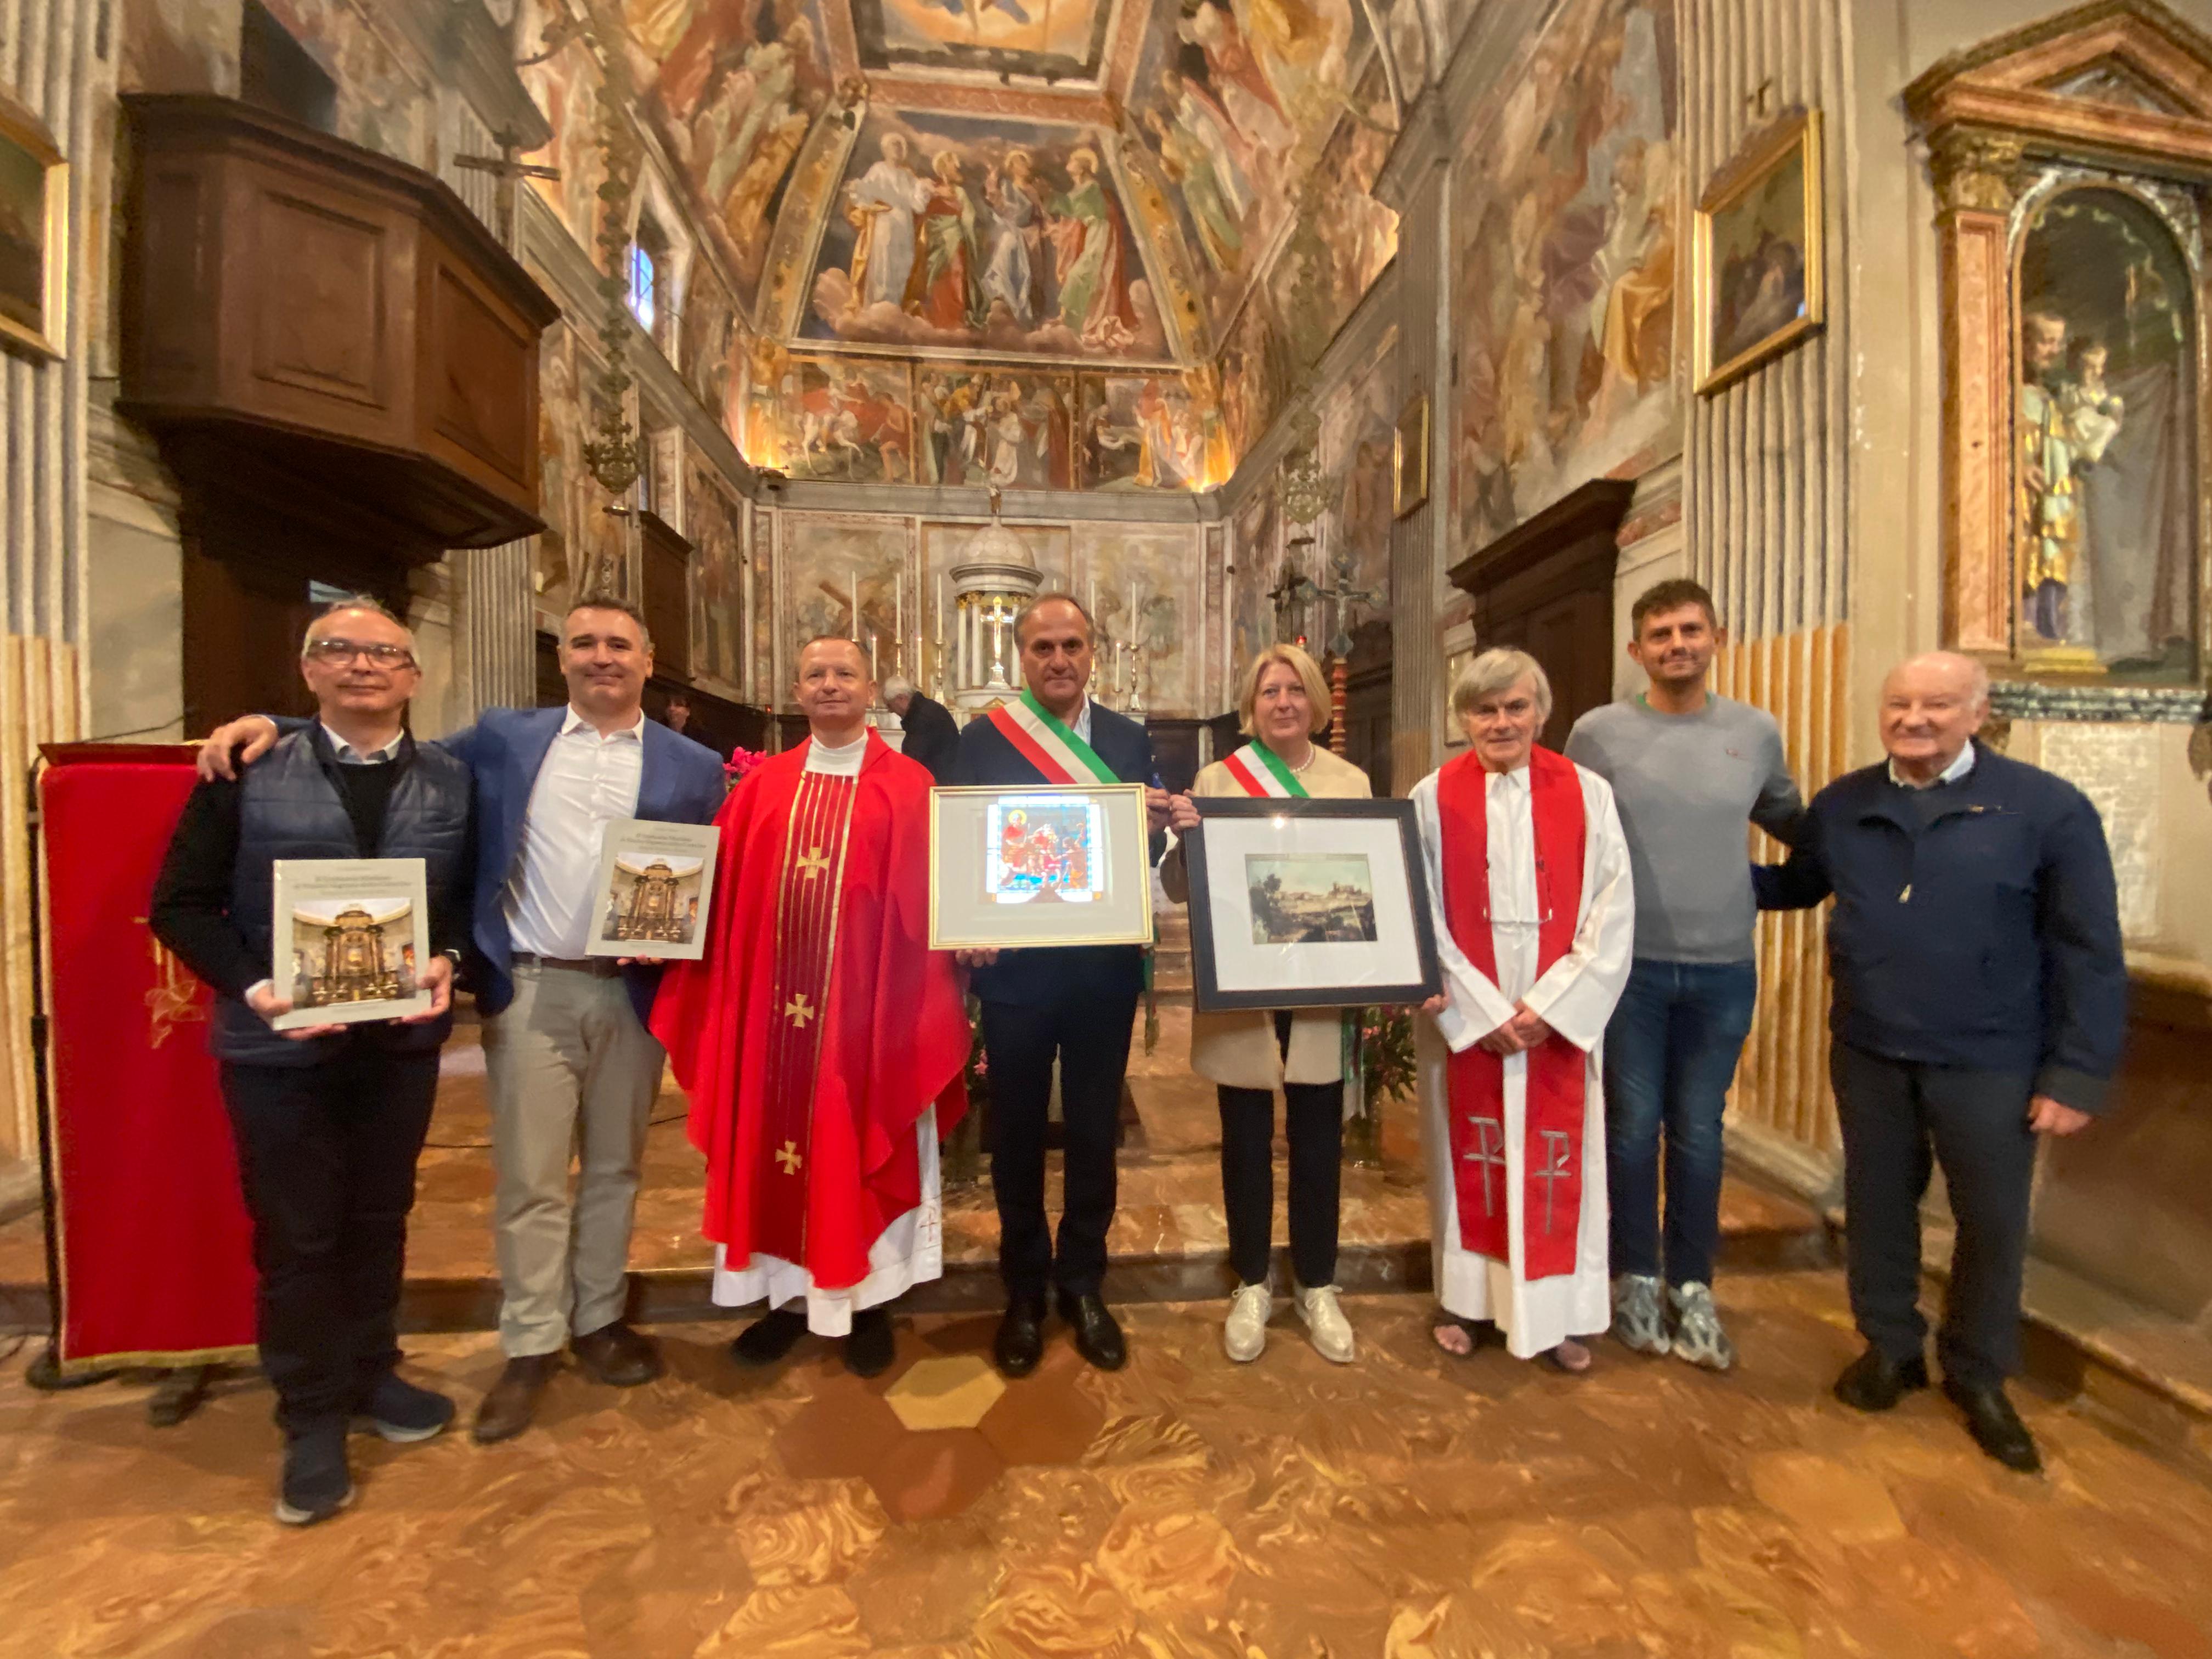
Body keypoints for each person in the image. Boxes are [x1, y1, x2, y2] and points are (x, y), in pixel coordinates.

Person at [194, 597, 729, 1445]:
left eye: (618, 644)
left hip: (633, 992)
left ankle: (598, 1321)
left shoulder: (694, 763)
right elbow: (377, 737)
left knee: (619, 1168)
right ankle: (531, 1342)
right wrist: (273, 720)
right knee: (529, 1176)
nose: (601, 657)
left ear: (648, 656)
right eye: (585, 642)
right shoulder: (507, 738)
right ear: (563, 658)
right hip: (532, 986)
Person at [1755, 652, 2125, 1474]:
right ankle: (1890, 1346)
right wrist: (1682, 877)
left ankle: (1977, 1369)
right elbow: (1795, 888)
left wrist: (2076, 1074)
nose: (1914, 718)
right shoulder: (1846, 804)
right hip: (1872, 1049)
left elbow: (2090, 951)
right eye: (1899, 704)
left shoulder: (2045, 809)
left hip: (1991, 1058)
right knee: (1877, 1208)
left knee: (1991, 1223)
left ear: (1979, 711)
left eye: (1936, 705)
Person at [153, 596, 472, 1526]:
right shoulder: (244, 768)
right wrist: (254, 986)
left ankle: (374, 1371)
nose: (363, 666)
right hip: (276, 1049)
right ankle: (310, 1413)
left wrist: (448, 952)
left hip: (398, 1044)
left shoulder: (451, 778)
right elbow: (180, 904)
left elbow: (457, 897)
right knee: (298, 1234)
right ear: (308, 670)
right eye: (340, 650)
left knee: (379, 1215)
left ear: (414, 675)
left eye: (384, 653)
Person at [653, 638, 971, 1378]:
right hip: (772, 1027)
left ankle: (873, 1298)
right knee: (777, 1147)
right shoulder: (759, 793)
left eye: (845, 675)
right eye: (817, 675)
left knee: (865, 1140)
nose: (831, 686)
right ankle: (786, 1300)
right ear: (798, 691)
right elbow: (719, 906)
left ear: (870, 691)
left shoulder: (911, 784)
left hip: (875, 1019)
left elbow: (941, 898)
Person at [1565, 579, 1803, 1369]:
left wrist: (1751, 888)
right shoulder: (1596, 735)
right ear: (1636, 651)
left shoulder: (1755, 732)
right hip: (1628, 967)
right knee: (1632, 1130)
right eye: (1660, 634)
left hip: (1723, 969)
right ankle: (1635, 1276)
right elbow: (1569, 833)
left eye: (1690, 630)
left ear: (1717, 637)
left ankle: (1692, 1284)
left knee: (1700, 1131)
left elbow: (1792, 824)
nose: (1677, 644)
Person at [952, 594, 1173, 1377]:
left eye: (1071, 644)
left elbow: (1141, 858)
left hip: (1101, 972)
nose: (1058, 659)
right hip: (1013, 975)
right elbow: (954, 843)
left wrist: (1150, 828)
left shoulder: (1126, 737)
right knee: (1012, 1136)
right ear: (1022, 655)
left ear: (1093, 652)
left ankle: (1082, 1284)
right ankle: (1022, 1292)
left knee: (1090, 1134)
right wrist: (965, 918)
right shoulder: (982, 740)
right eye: (1042, 646)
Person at [1414, 649, 1634, 1373]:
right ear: (1464, 720)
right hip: (1474, 1005)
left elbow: (1612, 907)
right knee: (1472, 1156)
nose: (1500, 722)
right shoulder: (1431, 796)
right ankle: (1470, 1304)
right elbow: (1423, 912)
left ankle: (1560, 1312)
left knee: (1557, 1163)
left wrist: (1547, 1007)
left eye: (1514, 707)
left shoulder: (1588, 792)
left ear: (1541, 711)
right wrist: (1482, 1012)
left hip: (1554, 1006)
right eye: (1484, 709)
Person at [1162, 644, 1368, 1364]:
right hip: (1245, 982)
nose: (1283, 702)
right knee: (1245, 1138)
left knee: (1319, 1138)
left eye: (1295, 690)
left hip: (1321, 977)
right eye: (1269, 691)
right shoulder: (1218, 777)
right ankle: (1250, 1280)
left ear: (1316, 699)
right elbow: (1184, 885)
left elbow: (1367, 881)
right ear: (1252, 706)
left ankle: (1317, 1282)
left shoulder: (1351, 779)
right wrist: (1185, 836)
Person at [884, 674, 960, 782]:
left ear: (901, 698)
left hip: (938, 786)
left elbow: (913, 761)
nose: (890, 711)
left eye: (890, 705)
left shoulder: (923, 716)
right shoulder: (925, 710)